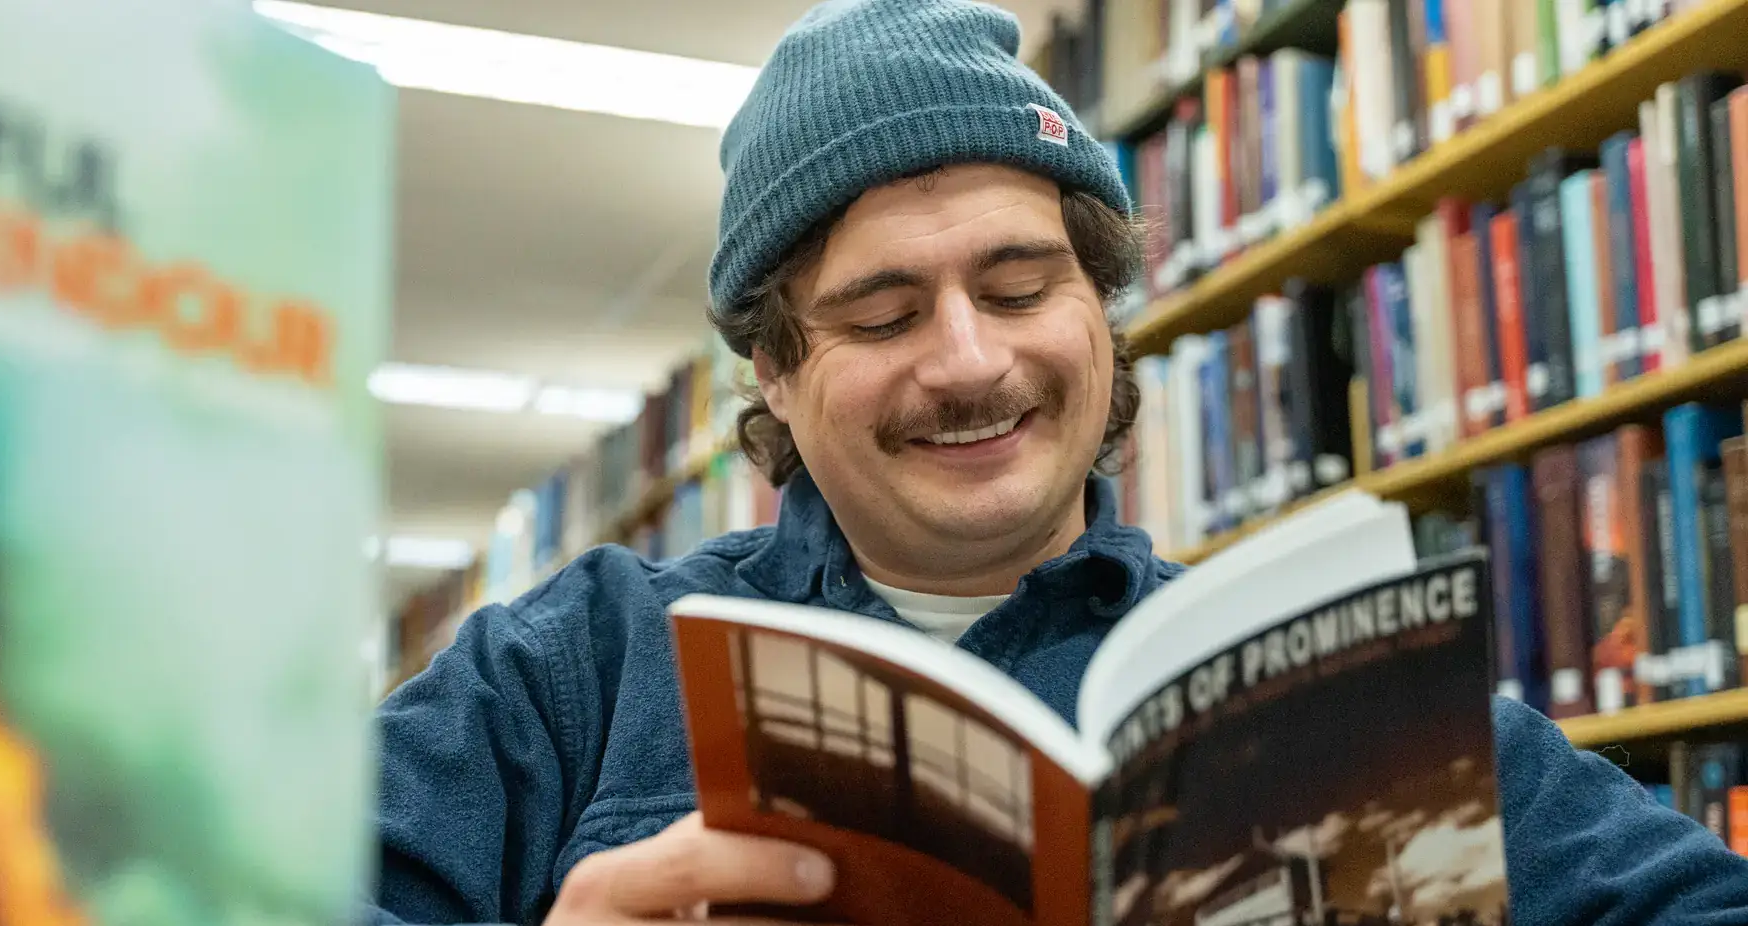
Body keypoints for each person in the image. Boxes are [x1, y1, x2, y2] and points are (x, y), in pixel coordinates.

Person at [370, 1, 1748, 923]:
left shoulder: (1315, 672)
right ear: (777, 372)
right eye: (884, 314)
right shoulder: (565, 671)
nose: (970, 361)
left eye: (1022, 287)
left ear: (1100, 313)